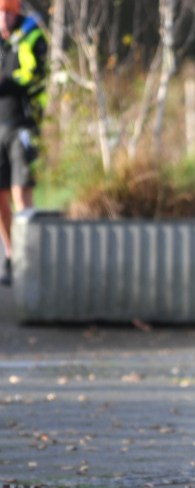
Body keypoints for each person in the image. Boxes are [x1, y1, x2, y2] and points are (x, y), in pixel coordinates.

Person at [0, 0, 46, 287]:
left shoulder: (31, 35)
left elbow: (34, 75)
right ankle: (10, 254)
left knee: (21, 192)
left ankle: (30, 262)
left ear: (16, 13)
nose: (3, 19)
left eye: (8, 13)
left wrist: (5, 82)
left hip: (22, 126)